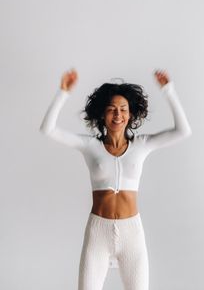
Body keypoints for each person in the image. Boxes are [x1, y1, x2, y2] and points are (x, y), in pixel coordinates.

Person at [39, 68, 192, 290]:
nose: (118, 115)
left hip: (132, 233)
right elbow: (48, 129)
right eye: (112, 110)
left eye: (123, 109)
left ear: (131, 114)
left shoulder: (142, 145)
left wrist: (169, 91)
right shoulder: (89, 145)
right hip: (98, 232)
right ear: (103, 114)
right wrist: (63, 93)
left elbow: (183, 131)